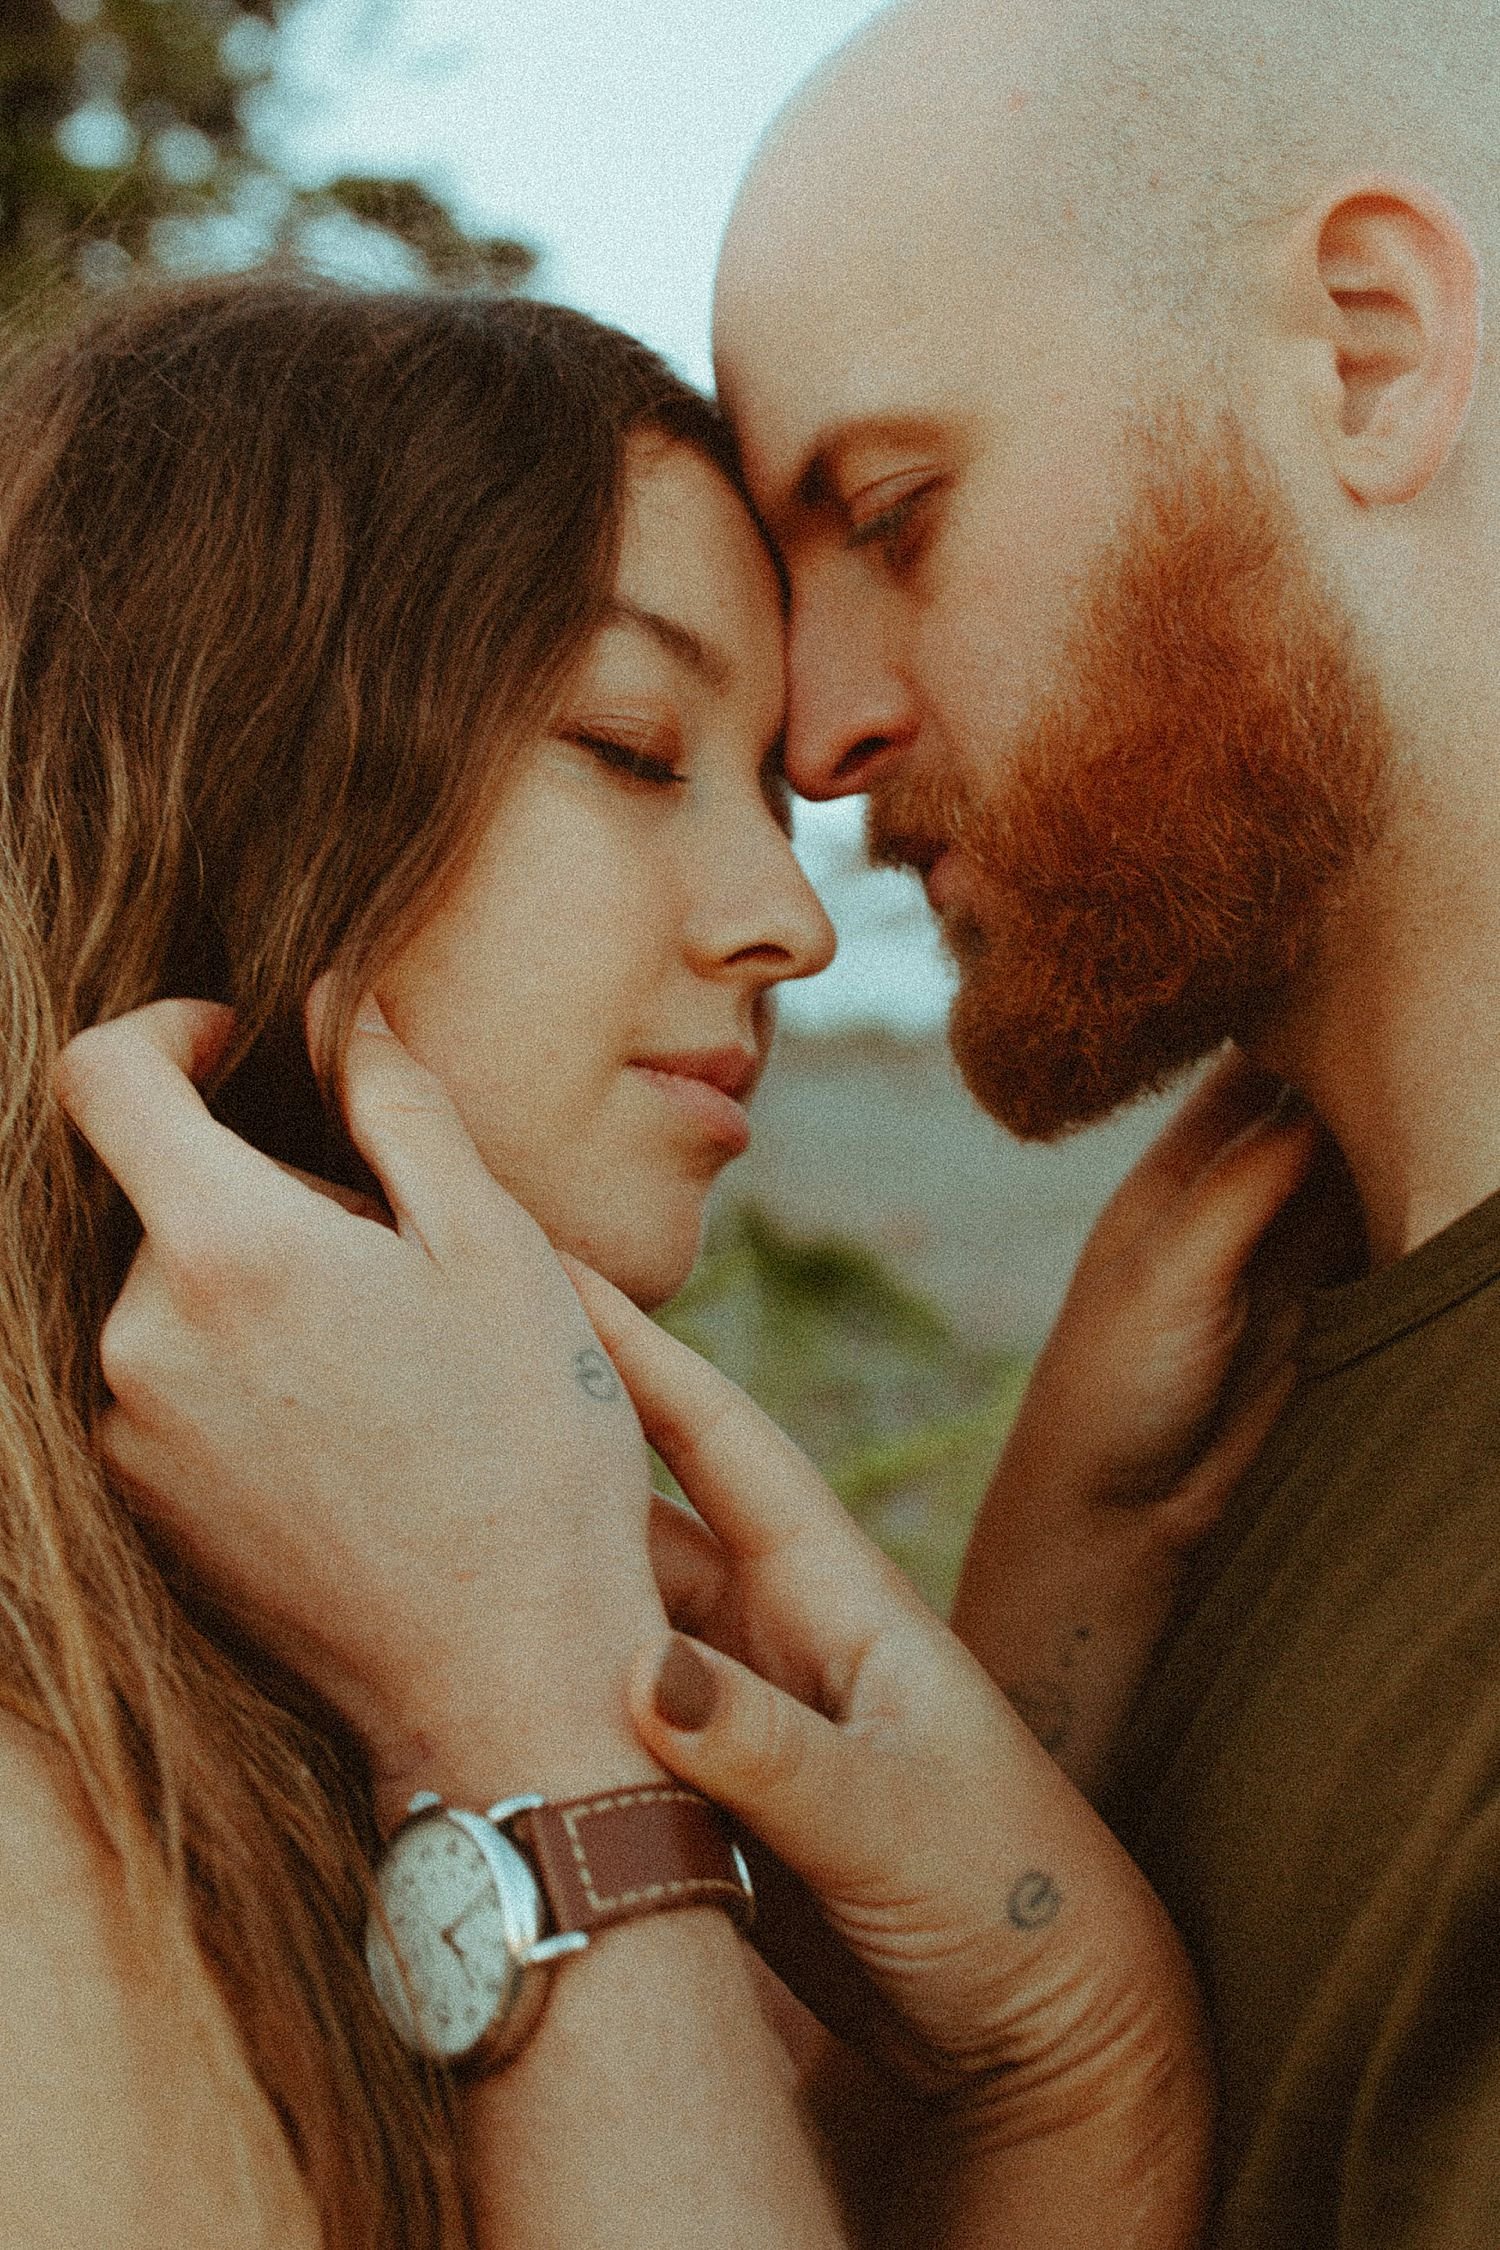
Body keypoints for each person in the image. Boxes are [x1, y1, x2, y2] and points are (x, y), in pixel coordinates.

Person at [0, 273, 1311, 2245]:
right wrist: (513, 1725)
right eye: (629, 742)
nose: (790, 911)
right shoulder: (45, 1857)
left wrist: (1068, 2039)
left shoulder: (254, 1710)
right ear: (228, 778)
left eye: (773, 793)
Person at [700, 0, 1500, 2242]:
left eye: (894, 515)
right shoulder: (1248, 1384)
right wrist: (1052, 1626)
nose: (822, 729)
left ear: (1364, 351)